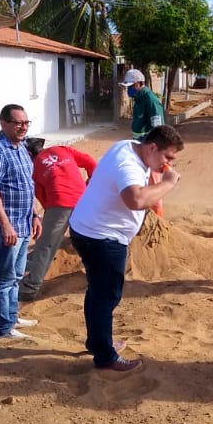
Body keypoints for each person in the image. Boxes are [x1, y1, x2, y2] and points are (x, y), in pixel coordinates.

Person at [68, 125, 184, 372]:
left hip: (89, 228)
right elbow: (136, 199)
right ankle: (105, 356)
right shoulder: (128, 163)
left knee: (98, 291)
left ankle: (98, 342)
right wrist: (168, 183)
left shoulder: (129, 147)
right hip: (102, 237)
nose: (169, 164)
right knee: (107, 295)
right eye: (168, 157)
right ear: (152, 147)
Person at [0, 104, 42, 340]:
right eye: (18, 123)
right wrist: (5, 225)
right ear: (4, 123)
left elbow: (27, 186)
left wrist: (35, 215)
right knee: (5, 278)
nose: (23, 127)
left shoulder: (21, 148)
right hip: (8, 227)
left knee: (16, 276)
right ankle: (3, 328)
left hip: (24, 223)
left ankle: (12, 317)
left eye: (26, 123)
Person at [19, 138, 98, 302]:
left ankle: (29, 288)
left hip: (60, 203)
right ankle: (101, 277)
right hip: (84, 201)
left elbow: (42, 197)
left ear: (29, 154)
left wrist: (49, 217)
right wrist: (92, 179)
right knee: (90, 242)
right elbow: (90, 161)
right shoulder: (63, 150)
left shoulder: (33, 168)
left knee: (45, 246)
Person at [121, 69, 167, 217]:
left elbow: (158, 130)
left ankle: (158, 221)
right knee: (142, 185)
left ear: (140, 84)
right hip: (140, 151)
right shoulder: (139, 100)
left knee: (153, 187)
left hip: (151, 152)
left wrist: (155, 155)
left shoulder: (150, 101)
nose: (128, 90)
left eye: (131, 86)